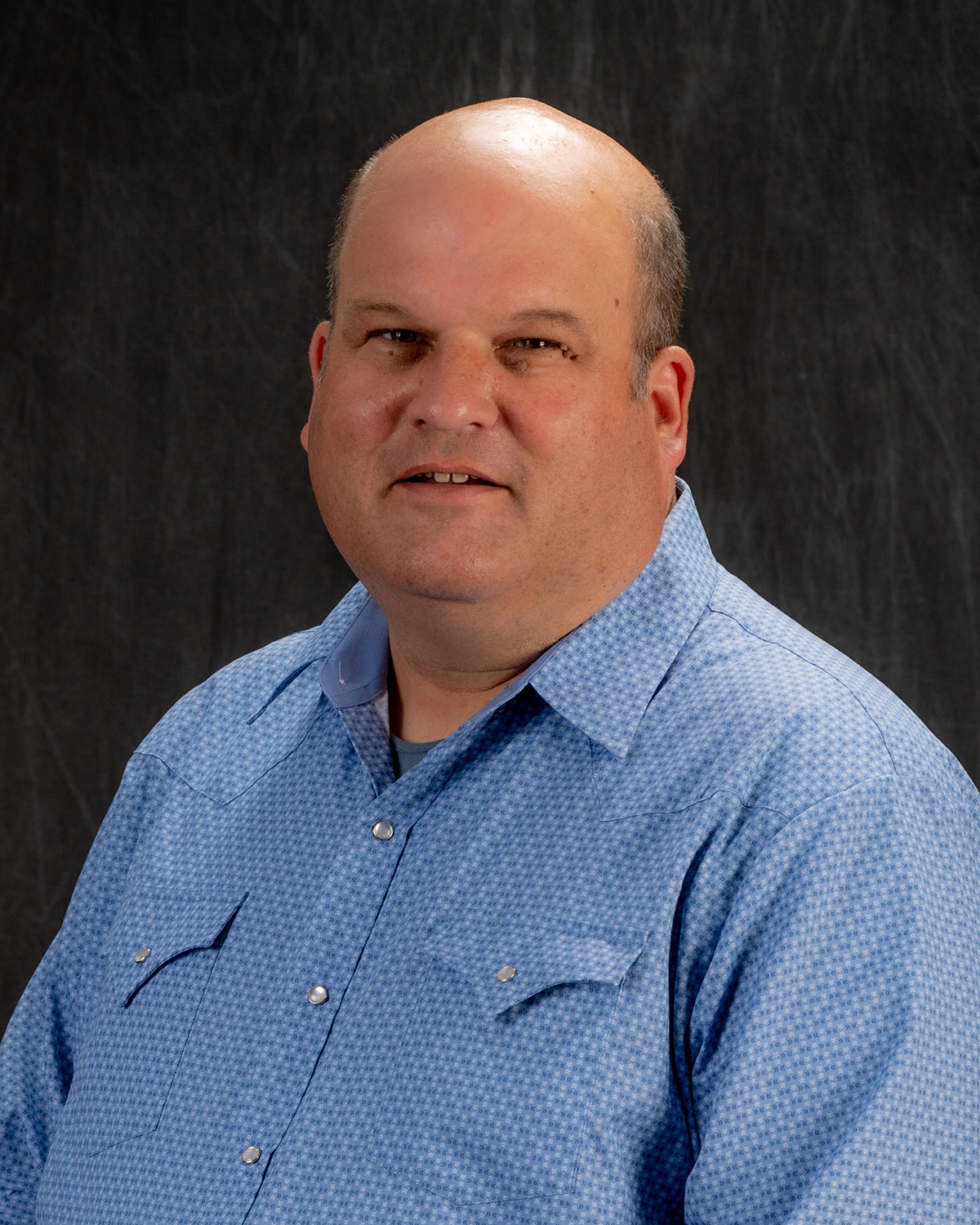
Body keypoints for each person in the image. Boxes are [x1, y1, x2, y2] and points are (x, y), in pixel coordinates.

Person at [1, 99, 977, 1225]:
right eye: (396, 338)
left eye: (533, 347)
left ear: (661, 407)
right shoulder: (205, 755)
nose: (450, 403)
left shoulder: (827, 806)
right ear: (321, 379)